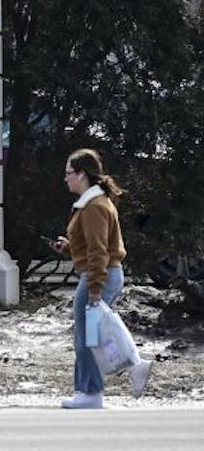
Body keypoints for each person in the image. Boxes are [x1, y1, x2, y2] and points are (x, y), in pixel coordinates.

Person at [50, 149, 152, 409]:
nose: (66, 179)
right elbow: (94, 247)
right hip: (104, 274)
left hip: (99, 276)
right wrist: (70, 247)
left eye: (69, 173)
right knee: (97, 332)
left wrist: (94, 288)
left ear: (82, 174)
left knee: (87, 336)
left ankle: (90, 392)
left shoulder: (94, 206)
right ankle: (132, 366)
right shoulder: (95, 203)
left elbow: (99, 252)